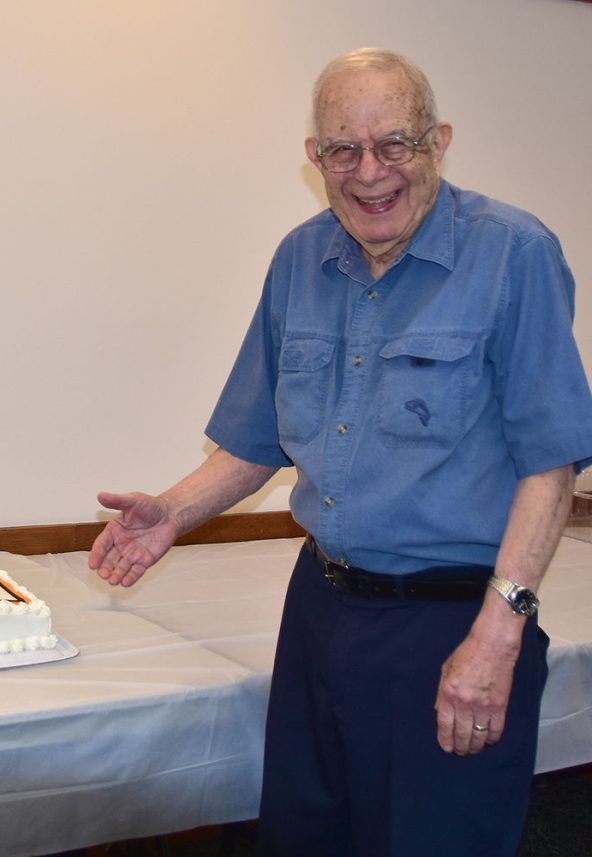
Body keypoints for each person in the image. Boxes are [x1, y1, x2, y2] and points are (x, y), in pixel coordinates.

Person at [88, 47, 592, 857]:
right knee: (303, 837)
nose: (369, 173)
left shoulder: (514, 254)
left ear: (439, 141)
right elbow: (257, 442)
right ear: (314, 158)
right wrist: (171, 512)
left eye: (394, 144)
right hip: (320, 610)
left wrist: (498, 635)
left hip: (455, 622)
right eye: (343, 151)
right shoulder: (299, 259)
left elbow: (552, 464)